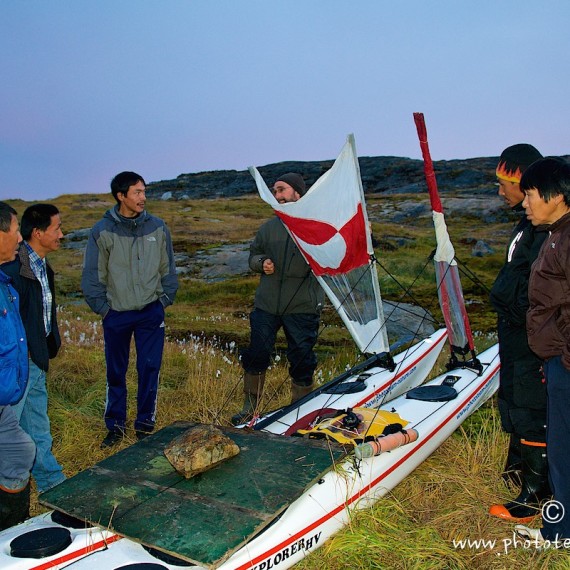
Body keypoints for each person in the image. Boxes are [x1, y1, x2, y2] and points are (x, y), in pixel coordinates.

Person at [81, 172, 178, 448]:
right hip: (116, 314)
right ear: (121, 196)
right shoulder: (102, 231)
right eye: (137, 192)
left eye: (144, 192)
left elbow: (168, 268)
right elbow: (92, 275)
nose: (143, 198)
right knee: (116, 371)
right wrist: (104, 309)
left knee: (150, 367)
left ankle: (145, 424)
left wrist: (164, 300)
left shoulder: (158, 228)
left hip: (150, 312)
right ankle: (116, 427)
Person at [488, 144, 550, 523]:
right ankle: (519, 472)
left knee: (532, 409)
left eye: (505, 183)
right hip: (514, 335)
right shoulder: (526, 222)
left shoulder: (546, 230)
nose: (501, 192)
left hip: (532, 337)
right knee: (513, 399)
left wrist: (517, 308)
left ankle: (536, 494)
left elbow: (543, 290)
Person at [232, 173, 324, 426]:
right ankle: (250, 409)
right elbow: (253, 255)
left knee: (302, 358)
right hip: (267, 305)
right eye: (274, 191)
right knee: (257, 353)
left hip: (303, 306)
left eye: (281, 190)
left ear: (297, 193)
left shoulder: (315, 225)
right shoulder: (268, 227)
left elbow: (334, 252)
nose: (277, 195)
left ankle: (300, 412)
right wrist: (261, 263)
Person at [515, 157, 570, 544]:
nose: (524, 202)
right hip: (557, 363)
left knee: (565, 452)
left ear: (557, 195)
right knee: (563, 451)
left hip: (566, 366)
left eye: (531, 194)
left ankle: (561, 534)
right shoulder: (556, 233)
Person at [2, 204, 65, 493]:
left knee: (38, 430)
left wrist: (48, 347)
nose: (62, 234)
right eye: (57, 228)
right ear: (38, 233)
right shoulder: (14, 270)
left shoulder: (42, 267)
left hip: (36, 363)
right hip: (16, 370)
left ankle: (53, 486)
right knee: (11, 435)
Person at [0, 201, 35, 531]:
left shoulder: (4, 287)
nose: (20, 240)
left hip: (3, 404)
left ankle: (12, 529)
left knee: (21, 452)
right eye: (14, 233)